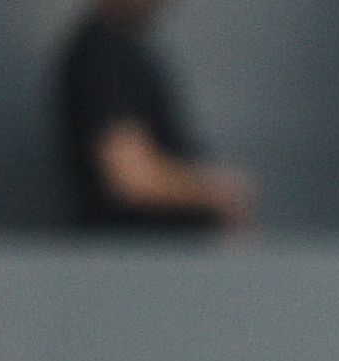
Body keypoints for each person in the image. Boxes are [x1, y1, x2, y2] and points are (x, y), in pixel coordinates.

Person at [55, 0, 253, 232]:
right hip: (133, 253)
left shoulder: (122, 50)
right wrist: (221, 192)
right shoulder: (100, 56)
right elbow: (131, 178)